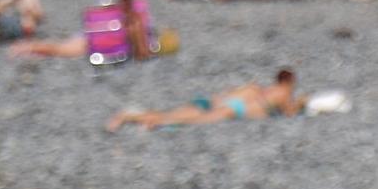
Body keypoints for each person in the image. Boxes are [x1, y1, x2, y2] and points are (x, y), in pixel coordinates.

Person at [104, 70, 304, 132]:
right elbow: (290, 112)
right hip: (229, 109)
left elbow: (228, 93)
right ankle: (156, 124)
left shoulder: (255, 87)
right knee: (190, 122)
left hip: (213, 101)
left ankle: (128, 116)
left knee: (170, 113)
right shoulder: (283, 93)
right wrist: (302, 103)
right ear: (289, 82)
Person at [11, 0, 161, 62]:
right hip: (94, 38)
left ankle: (28, 48)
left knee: (59, 48)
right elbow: (141, 52)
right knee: (60, 49)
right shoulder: (138, 22)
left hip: (95, 35)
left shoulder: (133, 19)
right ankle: (27, 48)